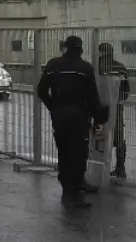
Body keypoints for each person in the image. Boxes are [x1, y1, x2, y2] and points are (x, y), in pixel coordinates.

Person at [37, 35, 108, 209]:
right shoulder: (85, 68)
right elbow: (93, 97)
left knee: (64, 151)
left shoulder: (53, 65)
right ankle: (72, 193)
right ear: (80, 49)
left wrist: (53, 107)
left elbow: (41, 90)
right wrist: (100, 115)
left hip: (59, 117)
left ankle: (71, 187)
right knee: (78, 153)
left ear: (66, 48)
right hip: (79, 118)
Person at [97, 42, 131, 179]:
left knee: (99, 138)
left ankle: (99, 169)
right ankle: (120, 169)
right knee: (118, 139)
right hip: (116, 109)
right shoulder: (121, 68)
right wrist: (117, 100)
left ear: (100, 52)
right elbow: (126, 91)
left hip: (99, 109)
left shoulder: (95, 67)